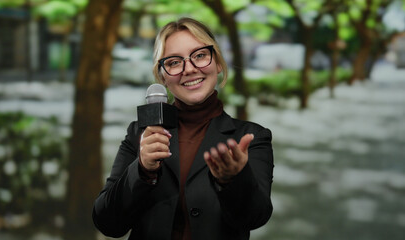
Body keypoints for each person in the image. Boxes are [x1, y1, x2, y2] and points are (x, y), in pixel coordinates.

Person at [92, 17, 274, 240]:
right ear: (163, 77)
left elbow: (256, 217)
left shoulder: (251, 137)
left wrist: (233, 180)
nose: (189, 69)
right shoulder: (140, 133)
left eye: (199, 55)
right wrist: (142, 170)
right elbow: (108, 223)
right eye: (174, 62)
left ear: (218, 63)